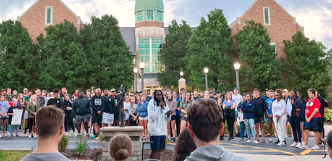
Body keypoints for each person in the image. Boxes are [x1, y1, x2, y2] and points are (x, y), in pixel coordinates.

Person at [147, 90, 171, 159]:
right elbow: (153, 117)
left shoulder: (164, 104)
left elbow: (168, 120)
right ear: (154, 96)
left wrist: (168, 115)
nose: (159, 96)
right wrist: (159, 107)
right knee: (155, 150)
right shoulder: (151, 103)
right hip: (155, 131)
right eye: (157, 95)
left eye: (160, 94)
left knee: (159, 150)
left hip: (162, 131)